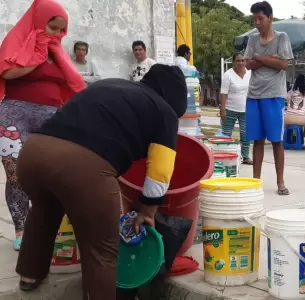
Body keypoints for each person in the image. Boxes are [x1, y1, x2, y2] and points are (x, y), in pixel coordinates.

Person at [15, 64, 186, 299]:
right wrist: (148, 210)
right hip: (81, 168)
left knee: (44, 211)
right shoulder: (164, 111)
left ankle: (30, 275)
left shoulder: (110, 85)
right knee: (102, 248)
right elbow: (160, 169)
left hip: (33, 154)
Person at [0, 0, 85, 251]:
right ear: (39, 21)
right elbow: (6, 71)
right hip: (13, 117)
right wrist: (38, 53)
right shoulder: (17, 41)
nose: (58, 34)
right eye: (53, 27)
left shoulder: (57, 49)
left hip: (51, 119)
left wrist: (54, 50)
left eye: (61, 30)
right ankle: (21, 229)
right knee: (16, 175)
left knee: (50, 175)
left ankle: (47, 227)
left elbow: (73, 82)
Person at [244, 1, 294, 195]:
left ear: (270, 18)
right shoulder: (252, 40)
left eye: (260, 18)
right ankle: (256, 181)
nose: (257, 22)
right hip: (254, 94)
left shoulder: (282, 37)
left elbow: (283, 64)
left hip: (274, 95)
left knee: (276, 140)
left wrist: (260, 58)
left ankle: (280, 182)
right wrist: (269, 58)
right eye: (255, 19)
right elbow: (248, 65)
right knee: (257, 140)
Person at [220, 52, 252, 164]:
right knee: (226, 134)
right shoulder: (228, 75)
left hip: (246, 110)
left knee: (245, 134)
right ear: (233, 62)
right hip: (230, 109)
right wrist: (223, 109)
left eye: (243, 60)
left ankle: (245, 156)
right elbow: (223, 93)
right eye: (238, 60)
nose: (241, 63)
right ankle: (222, 154)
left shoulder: (250, 73)